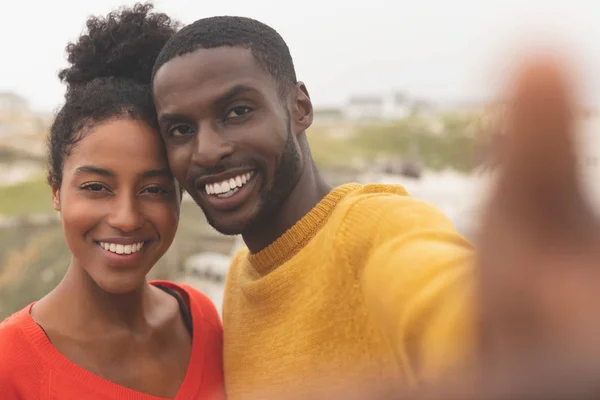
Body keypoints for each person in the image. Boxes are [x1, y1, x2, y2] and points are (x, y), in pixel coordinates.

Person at [151, 16, 473, 400]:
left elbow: (448, 301)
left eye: (237, 112)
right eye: (181, 130)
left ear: (300, 108)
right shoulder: (243, 278)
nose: (207, 151)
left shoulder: (377, 229)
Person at [0, 4, 224, 399]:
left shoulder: (202, 321)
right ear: (56, 189)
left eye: (153, 189)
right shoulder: (8, 365)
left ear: (180, 194)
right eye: (96, 187)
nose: (126, 218)